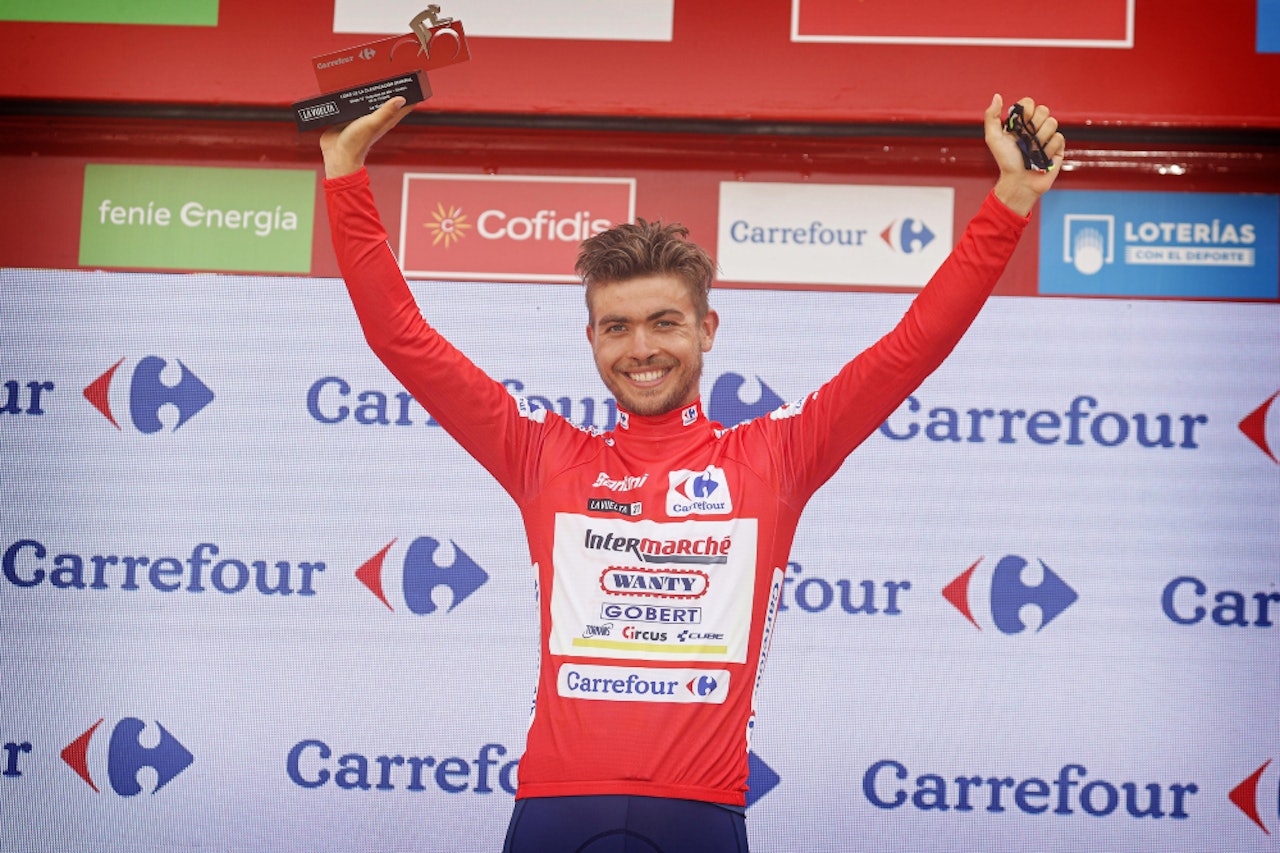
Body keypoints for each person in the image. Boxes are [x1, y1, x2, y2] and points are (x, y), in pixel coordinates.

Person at [320, 94, 1064, 852]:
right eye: (617, 327)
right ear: (592, 339)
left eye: (664, 322)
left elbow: (912, 347)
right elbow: (404, 340)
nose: (640, 348)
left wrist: (1009, 202)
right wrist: (344, 171)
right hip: (554, 813)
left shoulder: (775, 458)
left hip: (699, 817)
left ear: (707, 328)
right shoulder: (543, 456)